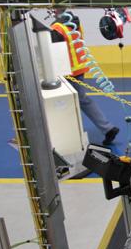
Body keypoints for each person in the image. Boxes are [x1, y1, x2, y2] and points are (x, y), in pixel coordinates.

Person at [51, 8, 120, 146]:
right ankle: (106, 128)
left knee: (65, 104)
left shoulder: (56, 28)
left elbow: (54, 52)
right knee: (82, 101)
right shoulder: (75, 22)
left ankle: (71, 135)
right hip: (79, 68)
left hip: (66, 71)